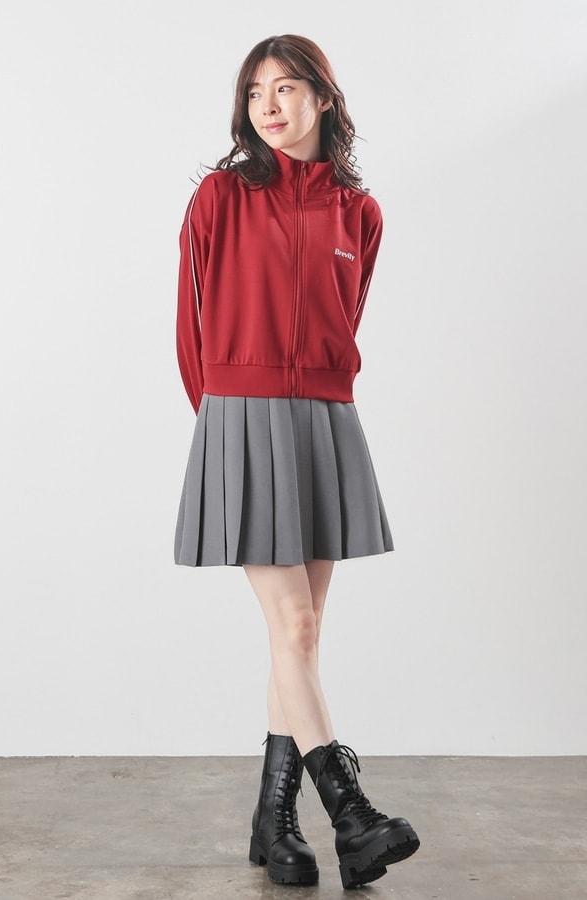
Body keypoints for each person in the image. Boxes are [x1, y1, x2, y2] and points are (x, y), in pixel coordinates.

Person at [174, 34, 420, 890]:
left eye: (284, 88)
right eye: (254, 92)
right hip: (242, 417)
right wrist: (225, 427)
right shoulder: (219, 197)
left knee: (299, 637)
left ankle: (273, 821)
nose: (268, 106)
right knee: (297, 629)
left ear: (323, 97)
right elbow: (189, 325)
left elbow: (346, 322)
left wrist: (314, 394)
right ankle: (351, 814)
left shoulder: (361, 215)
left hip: (324, 420)